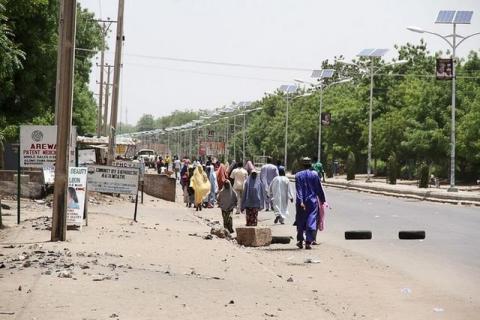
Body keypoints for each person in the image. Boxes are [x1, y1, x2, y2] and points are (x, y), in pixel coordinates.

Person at [294, 157, 326, 250]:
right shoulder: (315, 175)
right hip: (312, 202)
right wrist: (322, 199)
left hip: (301, 203)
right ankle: (308, 242)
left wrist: (301, 201)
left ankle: (300, 241)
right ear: (310, 164)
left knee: (300, 221)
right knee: (311, 220)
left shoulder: (298, 175)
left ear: (301, 165)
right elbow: (319, 189)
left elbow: (298, 189)